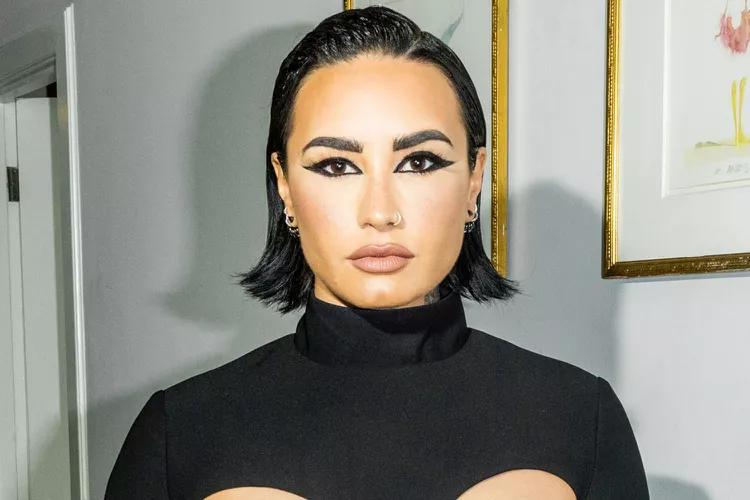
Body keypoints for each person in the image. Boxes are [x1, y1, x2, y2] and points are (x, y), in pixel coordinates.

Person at [105, 6, 649, 499]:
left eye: (419, 162)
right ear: (285, 186)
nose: (380, 211)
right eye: (336, 166)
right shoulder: (181, 432)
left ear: (473, 180)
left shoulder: (580, 416)